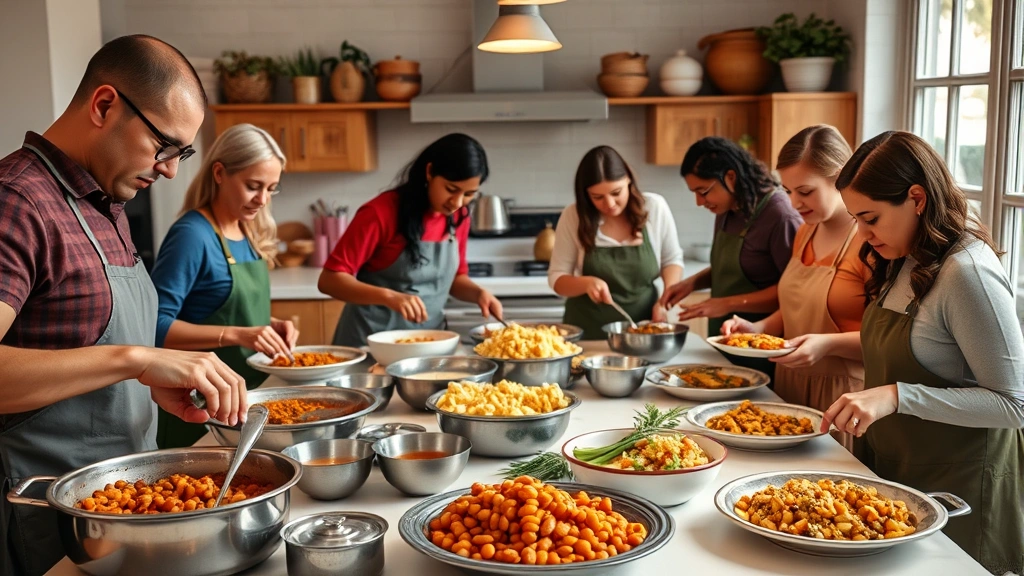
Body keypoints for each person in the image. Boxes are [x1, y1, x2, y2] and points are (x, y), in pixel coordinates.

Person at [0, 35, 248, 576]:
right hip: (52, 526)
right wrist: (135, 361)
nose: (170, 170)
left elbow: (72, 343)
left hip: (126, 515)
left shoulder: (104, 202)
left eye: (181, 154)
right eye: (165, 146)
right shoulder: (17, 201)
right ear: (105, 105)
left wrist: (144, 382)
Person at [818, 131, 1024, 574]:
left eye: (870, 217)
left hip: (960, 486)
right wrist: (826, 345)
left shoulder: (968, 274)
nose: (863, 233)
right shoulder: (904, 256)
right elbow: (925, 348)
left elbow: (1014, 404)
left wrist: (896, 395)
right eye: (856, 219)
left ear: (916, 198)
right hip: (898, 472)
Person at [150, 124, 297, 449]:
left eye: (272, 188)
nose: (263, 200)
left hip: (248, 403)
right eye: (253, 186)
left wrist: (268, 327)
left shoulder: (248, 231)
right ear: (219, 173)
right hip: (199, 410)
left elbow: (216, 308)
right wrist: (237, 333)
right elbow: (153, 326)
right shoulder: (192, 234)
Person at [722, 125, 868, 451]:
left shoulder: (870, 241)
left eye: (805, 191)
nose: (794, 202)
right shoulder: (806, 232)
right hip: (789, 385)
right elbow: (797, 303)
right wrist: (757, 329)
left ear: (841, 178)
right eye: (787, 191)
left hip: (843, 397)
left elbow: (887, 340)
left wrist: (826, 345)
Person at [319, 133, 502, 346]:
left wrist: (478, 294)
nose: (458, 202)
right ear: (429, 172)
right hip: (370, 345)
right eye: (451, 189)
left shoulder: (459, 216)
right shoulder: (380, 213)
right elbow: (329, 280)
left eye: (469, 194)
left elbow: (455, 279)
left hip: (428, 343)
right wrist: (389, 297)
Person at [660, 136, 802, 375]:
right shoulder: (728, 208)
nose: (698, 202)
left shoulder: (780, 216)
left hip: (760, 346)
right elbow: (735, 266)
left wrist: (726, 304)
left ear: (731, 178)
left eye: (704, 191)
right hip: (724, 341)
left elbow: (794, 291)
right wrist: (692, 283)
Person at [549, 146, 683, 339]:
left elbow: (671, 260)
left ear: (628, 179)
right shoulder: (574, 216)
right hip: (588, 333)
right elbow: (557, 278)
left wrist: (664, 301)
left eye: (616, 192)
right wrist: (585, 283)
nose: (610, 204)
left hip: (643, 332)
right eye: (598, 197)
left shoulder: (654, 207)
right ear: (585, 194)